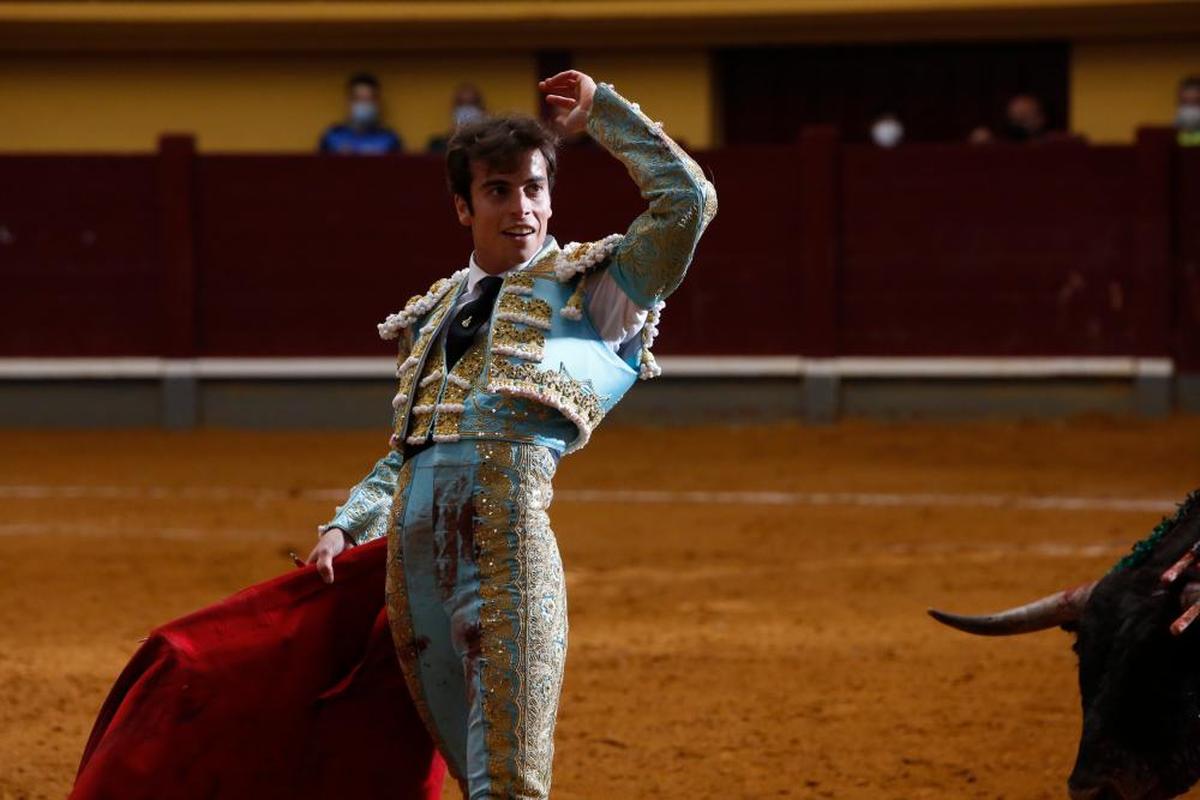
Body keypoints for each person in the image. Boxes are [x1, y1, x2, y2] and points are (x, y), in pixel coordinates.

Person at [306, 69, 716, 798]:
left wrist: (607, 118)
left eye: (533, 187)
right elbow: (406, 451)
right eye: (499, 190)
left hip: (508, 558)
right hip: (415, 567)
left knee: (509, 782)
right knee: (470, 776)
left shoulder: (596, 291)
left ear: (551, 196)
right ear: (464, 207)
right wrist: (347, 526)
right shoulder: (428, 316)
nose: (520, 206)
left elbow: (689, 204)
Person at [319, 71, 404, 155]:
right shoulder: (332, 136)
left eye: (369, 99)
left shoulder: (389, 139)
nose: (363, 104)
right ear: (349, 102)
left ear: (377, 103)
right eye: (358, 99)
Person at [428, 82, 488, 153]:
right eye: (462, 104)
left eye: (471, 104)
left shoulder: (489, 145)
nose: (467, 112)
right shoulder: (438, 145)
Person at [969, 92, 1050, 144]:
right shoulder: (1001, 145)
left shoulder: (1051, 145)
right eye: (1014, 119)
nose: (1017, 125)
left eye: (1023, 117)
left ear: (1040, 118)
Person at [1176, 75, 1200, 147]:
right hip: (1183, 138)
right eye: (1187, 92)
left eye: (1194, 92)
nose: (1191, 95)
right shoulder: (1182, 109)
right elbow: (1178, 124)